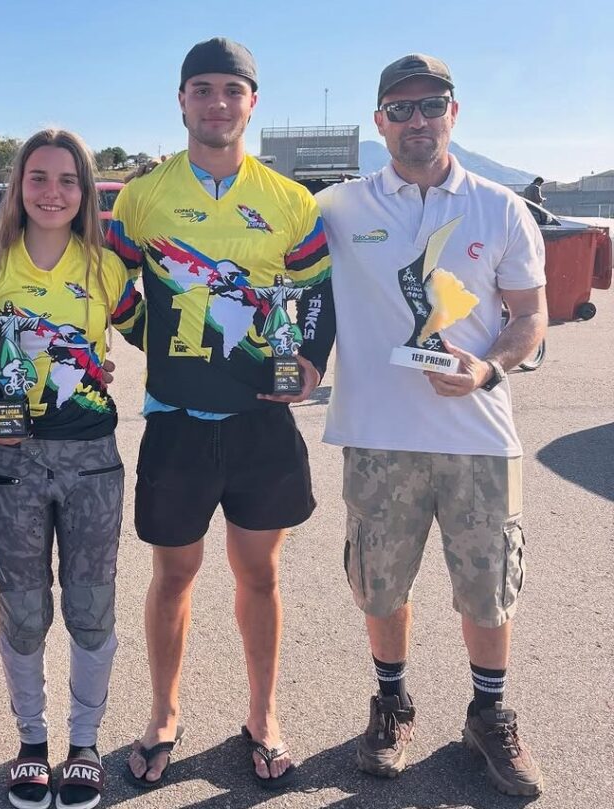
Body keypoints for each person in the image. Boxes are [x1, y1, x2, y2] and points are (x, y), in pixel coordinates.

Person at [105, 38, 335, 791]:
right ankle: (164, 712)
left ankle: (263, 713)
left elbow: (313, 292)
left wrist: (308, 359)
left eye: (230, 90)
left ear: (251, 103)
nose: (216, 103)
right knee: (173, 573)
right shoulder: (141, 197)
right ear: (180, 100)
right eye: (200, 89)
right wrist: (160, 341)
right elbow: (107, 282)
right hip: (175, 415)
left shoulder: (289, 198)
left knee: (259, 574)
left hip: (260, 420)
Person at [316, 53, 547, 797]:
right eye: (401, 108)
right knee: (379, 586)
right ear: (380, 121)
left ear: (456, 111)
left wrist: (486, 368)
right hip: (378, 435)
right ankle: (392, 700)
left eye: (432, 104)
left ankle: (490, 713)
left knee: (488, 589)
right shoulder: (340, 207)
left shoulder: (499, 206)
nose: (418, 120)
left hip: (478, 434)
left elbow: (531, 317)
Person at [0, 129, 142, 809]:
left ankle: (85, 741)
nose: (53, 192)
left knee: (91, 605)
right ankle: (32, 743)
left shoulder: (106, 269)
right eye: (38, 177)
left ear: (86, 191)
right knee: (24, 608)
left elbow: (159, 333)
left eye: (68, 180)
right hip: (13, 461)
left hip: (93, 458)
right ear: (18, 186)